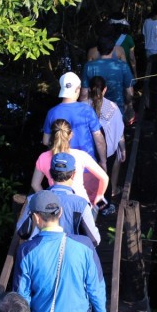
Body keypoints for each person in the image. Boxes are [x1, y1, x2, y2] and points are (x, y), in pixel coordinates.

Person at [18, 154, 101, 246]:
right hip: (69, 255)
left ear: (50, 173)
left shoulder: (33, 199)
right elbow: (94, 240)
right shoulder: (81, 204)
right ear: (73, 175)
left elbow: (22, 232)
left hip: (39, 254)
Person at [31, 119, 108, 205]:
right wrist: (100, 195)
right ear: (70, 135)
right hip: (81, 203)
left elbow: (35, 184)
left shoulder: (43, 157)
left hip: (57, 206)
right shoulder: (81, 155)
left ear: (52, 136)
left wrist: (47, 201)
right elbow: (104, 178)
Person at [43, 72, 107, 166]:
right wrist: (103, 161)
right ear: (78, 89)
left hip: (61, 167)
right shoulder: (87, 110)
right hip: (86, 167)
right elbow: (99, 139)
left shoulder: (52, 113)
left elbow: (45, 141)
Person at [85, 76, 124, 214]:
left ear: (89, 90)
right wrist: (123, 149)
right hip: (108, 152)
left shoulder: (83, 107)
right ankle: (104, 207)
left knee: (88, 180)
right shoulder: (113, 108)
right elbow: (119, 131)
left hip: (87, 153)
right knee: (104, 179)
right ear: (105, 89)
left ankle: (88, 207)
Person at [81, 35, 134, 116]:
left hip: (94, 110)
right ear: (113, 49)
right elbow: (129, 92)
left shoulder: (88, 66)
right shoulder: (123, 66)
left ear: (98, 49)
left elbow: (84, 94)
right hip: (117, 109)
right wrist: (128, 105)